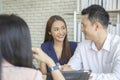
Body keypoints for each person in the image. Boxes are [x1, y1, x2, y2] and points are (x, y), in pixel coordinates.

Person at [62, 4, 120, 80]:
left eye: (84, 25)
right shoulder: (82, 46)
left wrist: (84, 76)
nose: (81, 29)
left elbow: (117, 77)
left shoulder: (117, 45)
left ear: (96, 26)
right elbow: (69, 72)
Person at [0, 14, 65, 80]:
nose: (61, 32)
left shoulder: (74, 46)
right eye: (56, 29)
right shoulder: (32, 74)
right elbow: (44, 73)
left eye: (63, 28)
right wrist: (51, 62)